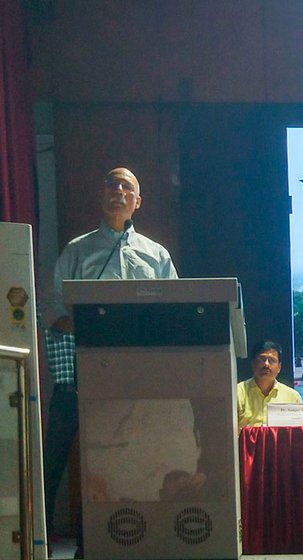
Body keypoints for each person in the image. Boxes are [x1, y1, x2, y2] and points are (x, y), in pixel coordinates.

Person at [41, 167, 178, 547]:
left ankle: (103, 544)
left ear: (138, 202)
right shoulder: (77, 250)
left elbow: (174, 313)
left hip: (133, 383)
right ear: (102, 196)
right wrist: (86, 328)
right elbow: (50, 309)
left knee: (120, 467)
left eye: (127, 187)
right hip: (78, 380)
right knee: (52, 465)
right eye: (111, 184)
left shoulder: (156, 255)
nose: (118, 191)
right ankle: (36, 544)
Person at [237, 341, 303, 428]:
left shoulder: (293, 397)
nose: (266, 364)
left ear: (279, 367)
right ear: (253, 363)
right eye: (262, 359)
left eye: (272, 360)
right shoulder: (237, 392)